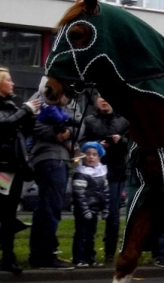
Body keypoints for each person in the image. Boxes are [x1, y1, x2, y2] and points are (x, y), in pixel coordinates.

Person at [28, 92, 82, 270]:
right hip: (49, 157)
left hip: (62, 159)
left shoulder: (72, 101)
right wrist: (57, 134)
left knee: (48, 207)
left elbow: (80, 126)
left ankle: (40, 254)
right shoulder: (42, 96)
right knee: (50, 207)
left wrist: (67, 133)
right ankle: (45, 254)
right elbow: (34, 125)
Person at [80, 93, 129, 265]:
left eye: (107, 96)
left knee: (113, 216)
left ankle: (109, 253)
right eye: (100, 96)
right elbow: (81, 143)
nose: (104, 99)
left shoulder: (124, 121)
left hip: (115, 173)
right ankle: (87, 254)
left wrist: (121, 140)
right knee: (89, 215)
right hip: (92, 175)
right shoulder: (89, 121)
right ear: (95, 101)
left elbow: (133, 143)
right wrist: (95, 146)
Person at [0, 67, 40, 275]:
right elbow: (3, 125)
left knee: (9, 215)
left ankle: (8, 256)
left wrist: (30, 116)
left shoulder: (11, 106)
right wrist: (25, 110)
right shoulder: (11, 108)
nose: (13, 83)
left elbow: (22, 131)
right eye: (9, 80)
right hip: (2, 168)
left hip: (13, 168)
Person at [71, 142, 110, 268]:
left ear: (99, 157)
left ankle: (90, 258)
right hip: (83, 210)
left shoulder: (101, 173)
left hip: (95, 210)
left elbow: (106, 193)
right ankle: (79, 258)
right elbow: (79, 194)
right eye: (87, 154)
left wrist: (105, 209)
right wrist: (84, 210)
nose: (91, 157)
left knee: (91, 235)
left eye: (94, 154)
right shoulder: (81, 173)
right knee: (81, 234)